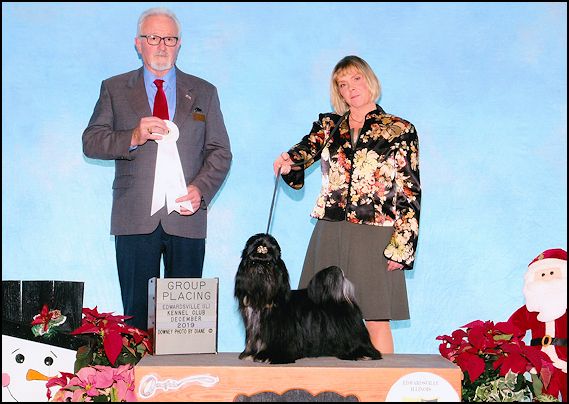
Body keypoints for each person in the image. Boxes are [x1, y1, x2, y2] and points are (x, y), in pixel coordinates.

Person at [82, 7, 232, 330]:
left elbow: (220, 152)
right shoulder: (114, 88)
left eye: (169, 39)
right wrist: (132, 136)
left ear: (179, 44)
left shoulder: (205, 92)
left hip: (187, 218)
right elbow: (91, 141)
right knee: (135, 322)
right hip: (134, 217)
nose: (162, 46)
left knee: (184, 327)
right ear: (138, 43)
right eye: (153, 38)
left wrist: (200, 189)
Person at [273, 55, 420, 354]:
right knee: (318, 315)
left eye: (356, 79)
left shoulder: (399, 129)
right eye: (342, 84)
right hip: (330, 228)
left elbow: (410, 190)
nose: (350, 88)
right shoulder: (328, 125)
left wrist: (402, 247)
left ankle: (381, 384)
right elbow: (304, 151)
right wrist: (289, 161)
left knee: (375, 318)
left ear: (369, 80)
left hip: (376, 233)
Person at [508, 248, 567, 401]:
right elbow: (512, 329)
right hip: (540, 363)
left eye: (552, 273)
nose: (547, 278)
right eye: (542, 275)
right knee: (543, 397)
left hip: (565, 361)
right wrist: (516, 350)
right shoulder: (530, 309)